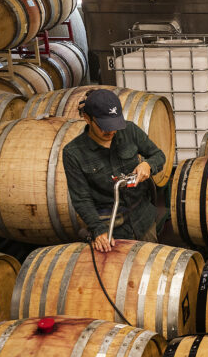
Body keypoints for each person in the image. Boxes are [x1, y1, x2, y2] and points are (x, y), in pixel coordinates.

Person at [63, 88, 167, 252]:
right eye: (105, 126)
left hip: (143, 220)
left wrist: (148, 165)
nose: (111, 131)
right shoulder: (73, 153)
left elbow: (158, 155)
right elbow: (82, 199)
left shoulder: (130, 131)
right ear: (87, 118)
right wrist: (98, 230)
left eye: (114, 124)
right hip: (112, 229)